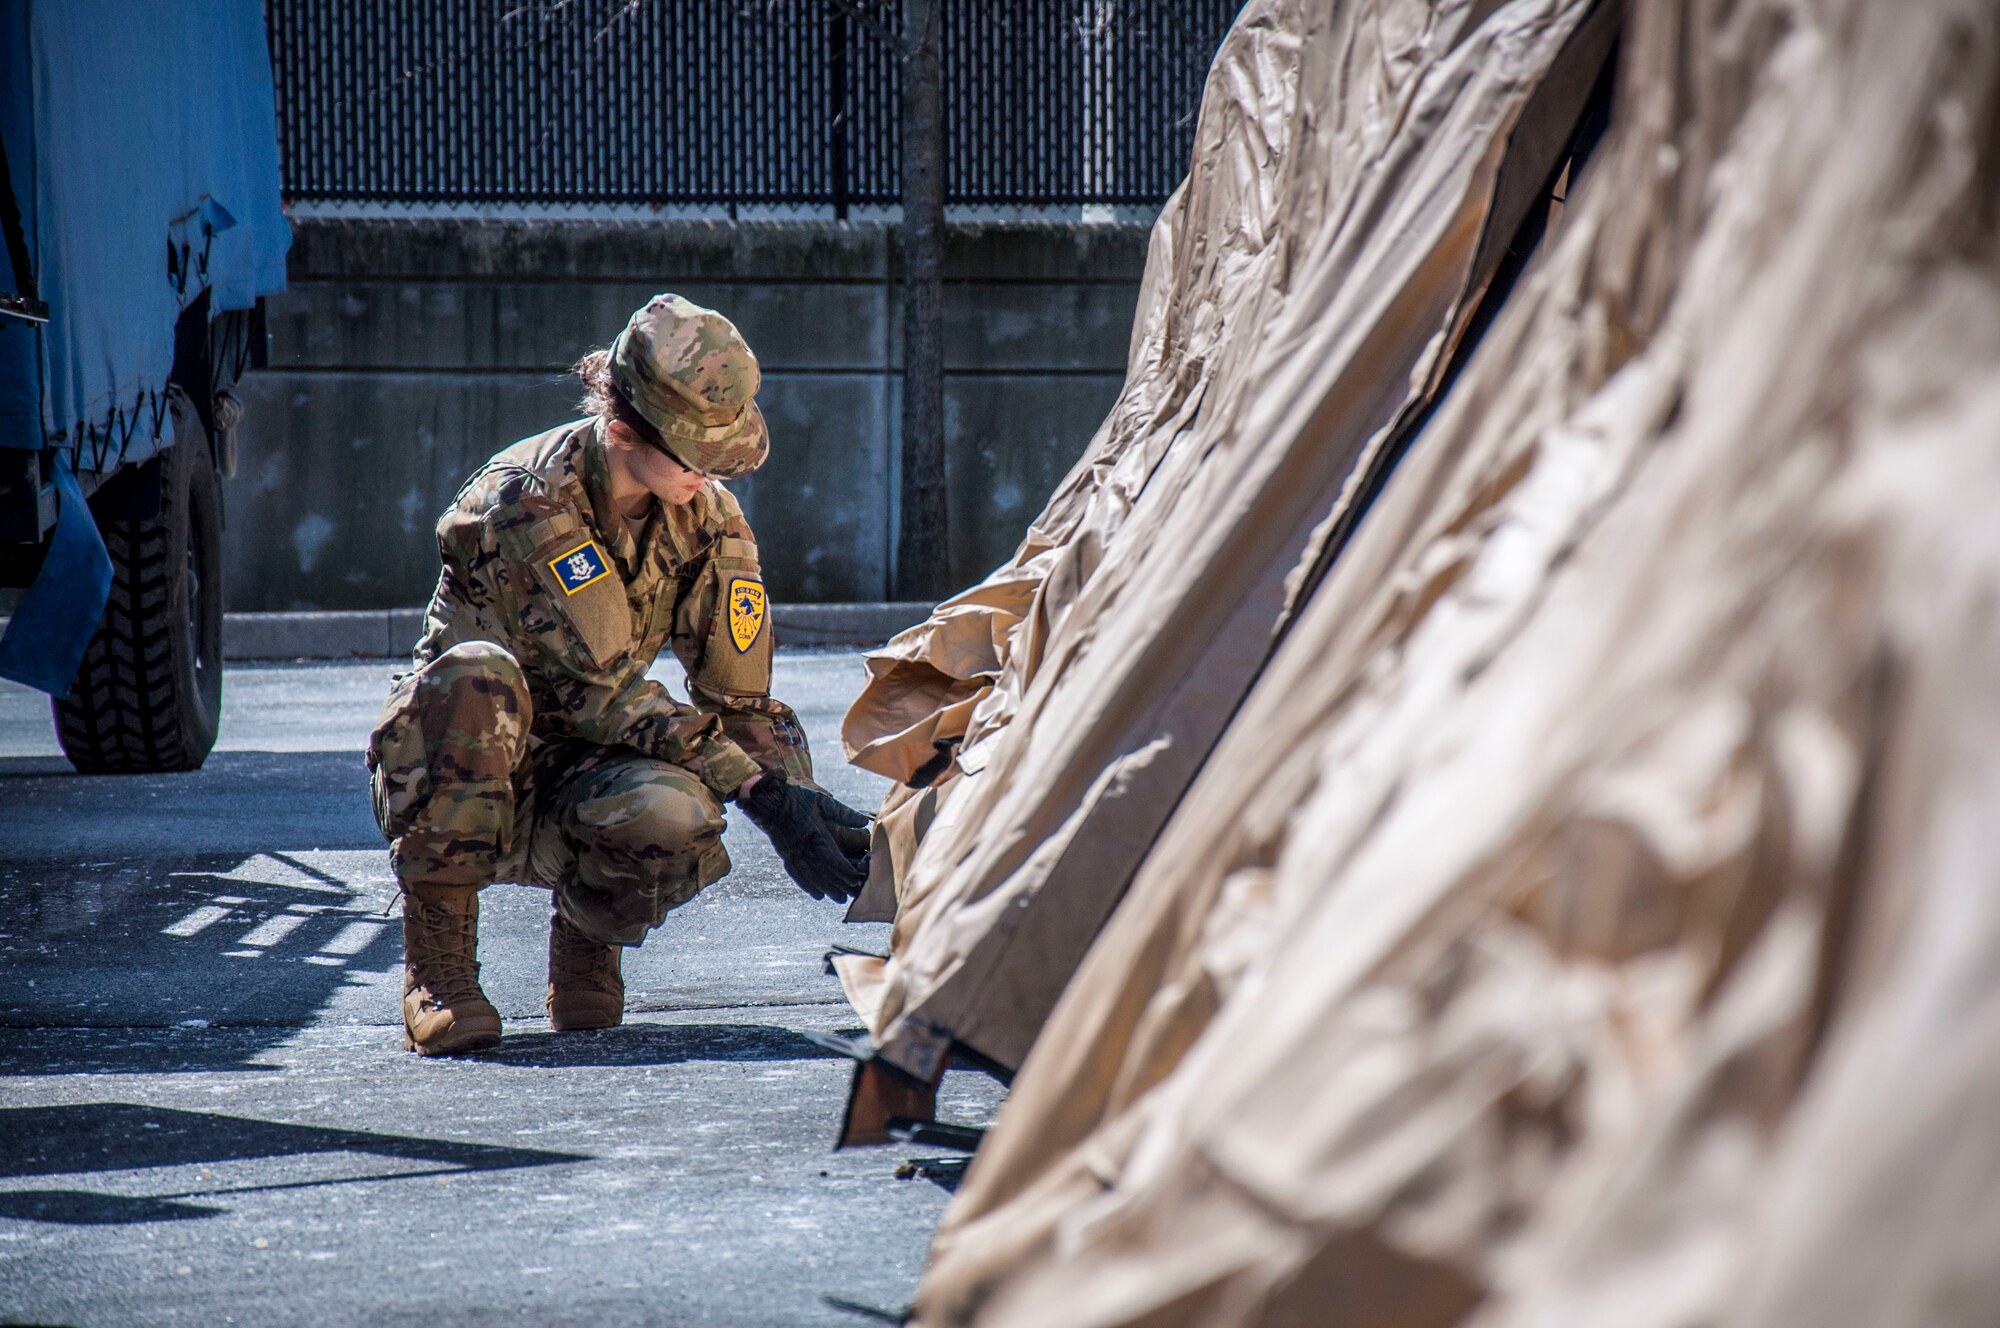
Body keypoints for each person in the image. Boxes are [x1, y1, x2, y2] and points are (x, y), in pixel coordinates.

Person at [365, 294, 872, 1056]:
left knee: (678, 810)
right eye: (696, 455)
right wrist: (761, 795)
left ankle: (586, 942)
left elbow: (739, 701)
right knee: (477, 679)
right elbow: (601, 693)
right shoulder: (523, 502)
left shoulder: (706, 517)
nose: (710, 474)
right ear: (622, 433)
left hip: (586, 762)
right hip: (463, 768)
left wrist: (798, 794)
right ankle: (438, 969)